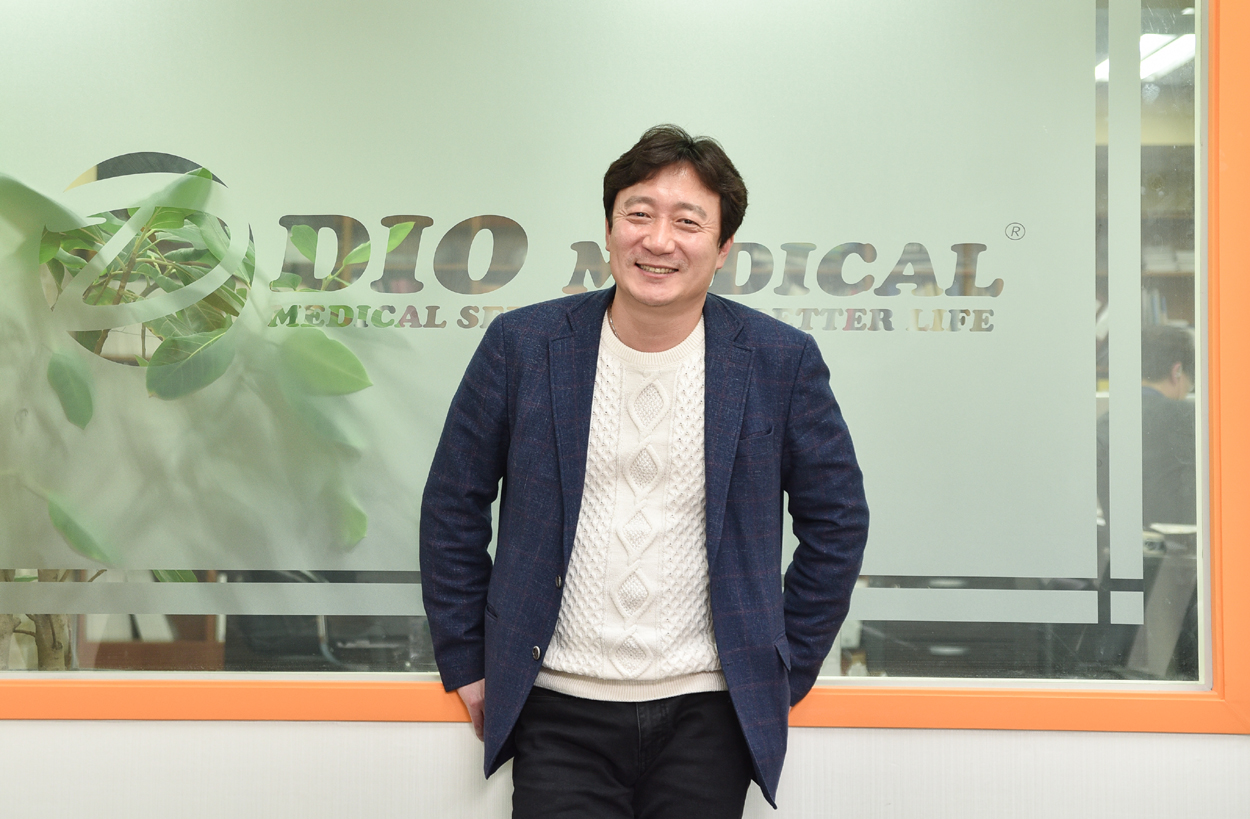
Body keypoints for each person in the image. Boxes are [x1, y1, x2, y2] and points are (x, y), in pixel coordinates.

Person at [420, 124, 869, 817]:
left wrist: (782, 666)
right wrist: (468, 658)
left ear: (723, 247)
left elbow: (837, 521)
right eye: (639, 214)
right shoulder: (523, 346)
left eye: (688, 222)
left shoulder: (778, 361)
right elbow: (453, 503)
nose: (659, 240)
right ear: (608, 230)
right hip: (557, 704)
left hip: (708, 710)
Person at [1096, 324, 1197, 528]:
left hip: (1123, 544)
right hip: (1185, 546)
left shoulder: (1106, 423)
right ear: (1177, 372)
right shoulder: (1193, 419)